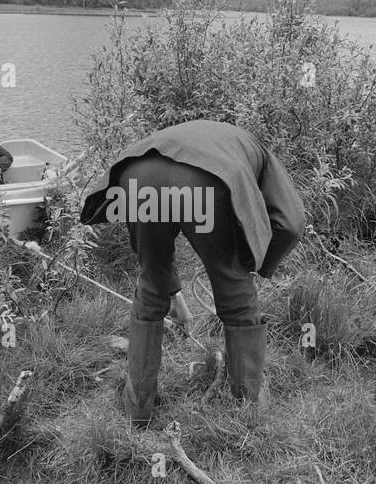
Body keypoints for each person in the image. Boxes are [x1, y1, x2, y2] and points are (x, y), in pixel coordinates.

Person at [80, 119, 305, 426]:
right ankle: (246, 409)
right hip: (205, 181)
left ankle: (138, 407)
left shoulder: (219, 138)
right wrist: (252, 266)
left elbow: (155, 259)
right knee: (234, 287)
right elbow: (291, 224)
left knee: (150, 282)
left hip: (138, 174)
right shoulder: (261, 155)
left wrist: (171, 292)